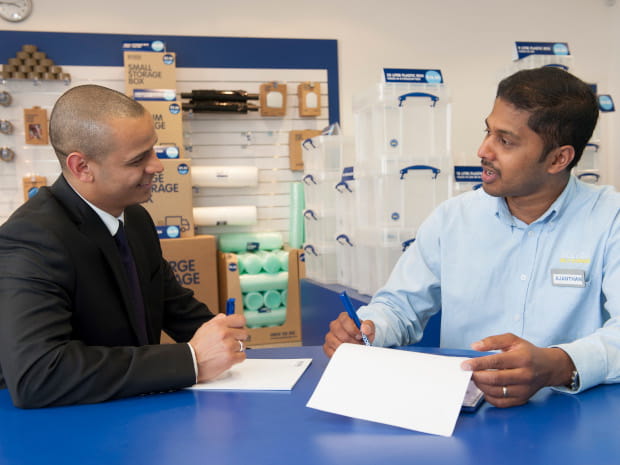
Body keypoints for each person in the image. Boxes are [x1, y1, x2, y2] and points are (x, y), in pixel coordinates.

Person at [324, 66, 620, 408]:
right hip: (463, 419)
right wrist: (370, 329)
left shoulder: (610, 219)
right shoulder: (453, 219)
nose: (483, 150)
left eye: (505, 141)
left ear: (559, 159)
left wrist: (558, 365)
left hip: (574, 417)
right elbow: (399, 306)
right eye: (488, 132)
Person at [0, 85, 248, 408]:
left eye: (153, 150)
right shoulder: (31, 240)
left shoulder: (136, 220)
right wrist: (190, 359)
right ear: (81, 167)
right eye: (138, 159)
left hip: (133, 421)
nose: (157, 166)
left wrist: (227, 338)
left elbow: (176, 308)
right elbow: (38, 374)